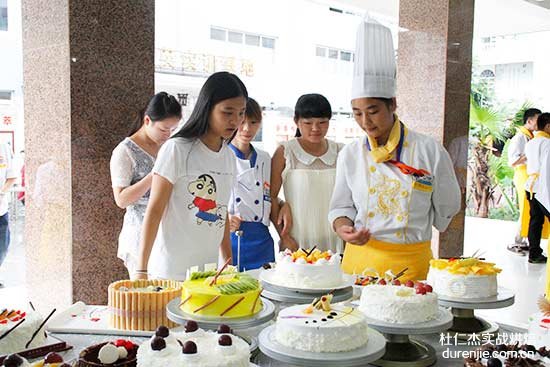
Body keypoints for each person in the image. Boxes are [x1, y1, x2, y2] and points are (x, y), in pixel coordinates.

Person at [328, 18, 461, 281]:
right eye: (357, 114)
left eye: (373, 111)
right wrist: (344, 228)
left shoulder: (429, 150)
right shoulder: (351, 154)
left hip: (411, 265)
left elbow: (447, 205)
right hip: (359, 264)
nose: (366, 122)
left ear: (393, 104)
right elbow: (340, 206)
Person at [135, 72, 247, 280]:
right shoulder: (177, 149)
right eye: (227, 112)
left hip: (208, 273)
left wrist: (228, 265)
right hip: (171, 272)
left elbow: (221, 214)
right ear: (207, 108)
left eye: (241, 113)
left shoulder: (228, 157)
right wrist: (141, 270)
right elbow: (155, 209)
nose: (236, 121)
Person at [110, 92, 181, 277]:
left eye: (173, 130)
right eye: (164, 129)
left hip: (167, 235)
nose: (168, 135)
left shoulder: (168, 146)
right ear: (147, 120)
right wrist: (154, 174)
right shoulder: (125, 151)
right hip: (139, 237)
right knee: (146, 298)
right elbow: (121, 199)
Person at [270, 93, 344, 253]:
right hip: (297, 240)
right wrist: (284, 237)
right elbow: (271, 197)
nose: (315, 128)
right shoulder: (285, 152)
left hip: (335, 239)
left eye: (322, 122)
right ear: (296, 121)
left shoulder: (340, 151)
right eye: (308, 123)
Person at [228, 98, 275, 270]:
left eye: (253, 122)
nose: (247, 129)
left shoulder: (265, 158)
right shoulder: (222, 155)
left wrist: (282, 205)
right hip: (234, 236)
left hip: (262, 237)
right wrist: (225, 218)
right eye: (242, 122)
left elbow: (270, 193)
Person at [507, 108, 549, 254]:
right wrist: (530, 155)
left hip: (531, 178)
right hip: (525, 176)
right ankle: (518, 241)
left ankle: (529, 244)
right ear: (529, 121)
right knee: (528, 212)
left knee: (532, 214)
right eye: (538, 120)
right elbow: (512, 161)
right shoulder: (521, 138)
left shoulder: (533, 138)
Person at [524, 112, 550, 264]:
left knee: (535, 220)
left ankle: (534, 253)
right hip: (542, 185)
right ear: (547, 126)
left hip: (531, 185)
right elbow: (546, 169)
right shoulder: (547, 143)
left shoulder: (531, 142)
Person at [0, 143, 17, 288]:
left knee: (3, 246)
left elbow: (11, 176)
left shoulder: (3, 145)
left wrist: (1, 192)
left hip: (0, 209)